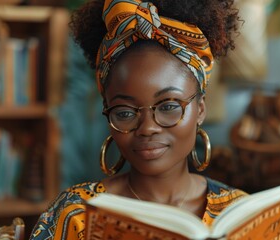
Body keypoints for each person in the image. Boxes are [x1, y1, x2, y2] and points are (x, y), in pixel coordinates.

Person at [30, 0, 248, 239]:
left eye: (168, 106)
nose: (147, 128)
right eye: (125, 112)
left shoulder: (240, 213)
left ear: (201, 109)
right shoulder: (76, 214)